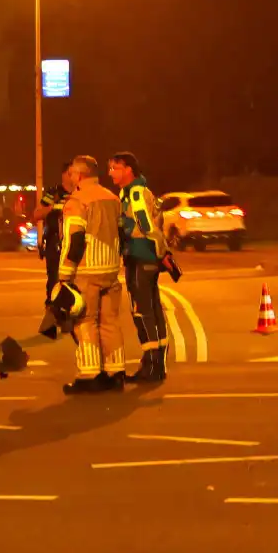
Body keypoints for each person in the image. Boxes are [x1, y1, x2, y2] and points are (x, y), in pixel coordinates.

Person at [57, 155, 126, 394]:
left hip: (87, 271)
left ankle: (89, 375)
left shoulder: (76, 201)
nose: (71, 177)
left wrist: (64, 275)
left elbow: (74, 241)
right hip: (111, 270)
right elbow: (121, 233)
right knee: (110, 322)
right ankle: (115, 373)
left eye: (73, 174)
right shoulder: (112, 198)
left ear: (80, 175)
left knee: (84, 322)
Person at [109, 152, 169, 384]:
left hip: (139, 255)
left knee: (142, 312)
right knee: (153, 311)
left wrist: (122, 227)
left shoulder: (134, 193)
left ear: (128, 170)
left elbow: (144, 224)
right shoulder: (138, 191)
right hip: (148, 258)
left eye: (115, 168)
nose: (111, 173)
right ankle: (157, 365)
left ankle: (151, 366)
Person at [34, 160, 76, 307]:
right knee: (54, 281)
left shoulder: (80, 193)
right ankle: (51, 316)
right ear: (64, 175)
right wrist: (53, 208)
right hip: (55, 245)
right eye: (71, 173)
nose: (74, 177)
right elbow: (37, 214)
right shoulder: (53, 193)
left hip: (74, 243)